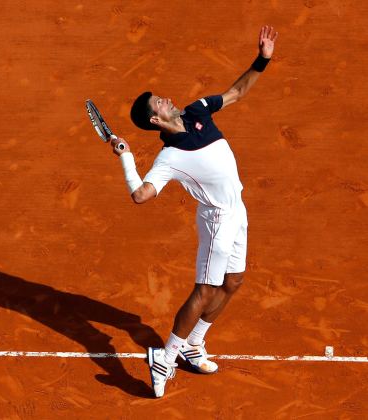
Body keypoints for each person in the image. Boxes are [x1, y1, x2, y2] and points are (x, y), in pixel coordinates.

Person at [110, 25, 278, 398]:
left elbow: (236, 92)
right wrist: (126, 158)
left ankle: (192, 344)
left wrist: (262, 59)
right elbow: (141, 195)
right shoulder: (169, 158)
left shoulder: (198, 109)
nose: (167, 100)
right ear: (155, 120)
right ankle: (165, 357)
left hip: (238, 211)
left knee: (233, 283)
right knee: (204, 290)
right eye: (159, 103)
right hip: (217, 221)